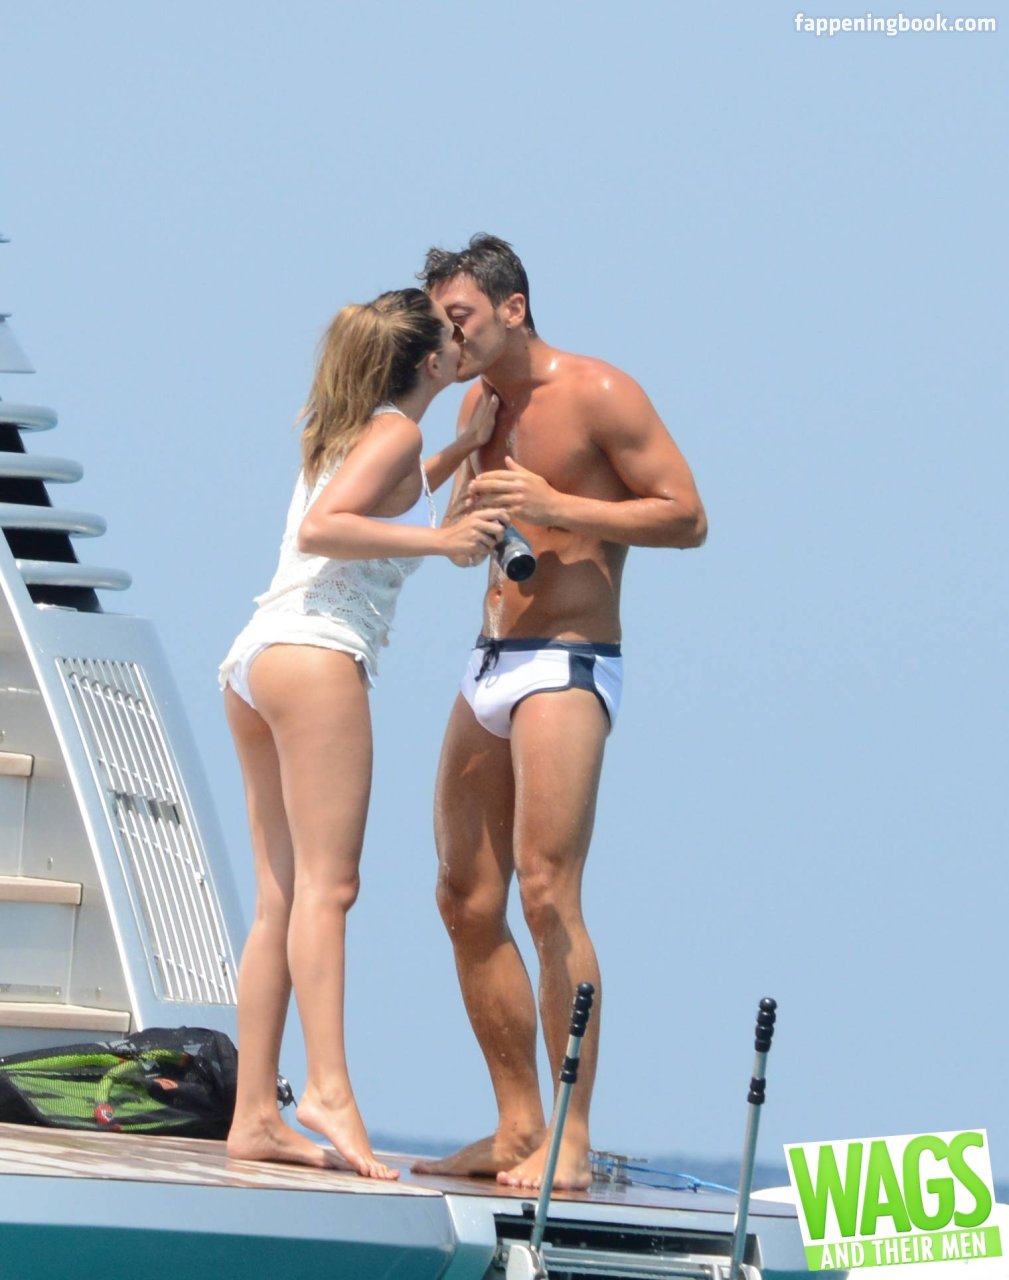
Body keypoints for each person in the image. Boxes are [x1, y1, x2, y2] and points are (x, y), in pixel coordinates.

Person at [410, 236, 707, 1191]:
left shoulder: (599, 392)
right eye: (438, 321)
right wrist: (467, 524)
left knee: (545, 891)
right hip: (488, 657)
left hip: (568, 661)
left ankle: (571, 1138)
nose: (447, 337)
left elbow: (687, 517)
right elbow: (461, 527)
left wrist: (559, 504)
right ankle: (516, 1126)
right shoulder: (477, 407)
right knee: (463, 896)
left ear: (512, 308)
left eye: (458, 317)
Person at [219, 288, 506, 1179]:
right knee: (330, 889)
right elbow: (327, 527)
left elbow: (382, 496)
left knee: (280, 898)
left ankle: (255, 1115)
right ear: (429, 361)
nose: (462, 343)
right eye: (452, 335)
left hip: (256, 661)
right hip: (316, 656)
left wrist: (462, 448)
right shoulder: (393, 434)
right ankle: (329, 1089)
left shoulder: (362, 430)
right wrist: (446, 543)